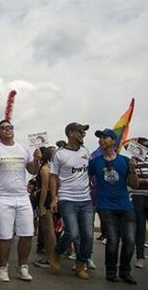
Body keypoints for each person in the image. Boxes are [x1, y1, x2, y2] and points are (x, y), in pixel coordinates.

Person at [0, 120, 41, 282]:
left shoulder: (23, 148)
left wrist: (37, 160)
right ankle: (4, 267)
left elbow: (32, 170)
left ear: (13, 130)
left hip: (22, 196)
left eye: (9, 127)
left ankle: (23, 267)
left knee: (27, 234)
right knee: (4, 235)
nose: (7, 130)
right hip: (0, 197)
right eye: (3, 128)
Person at [89, 128, 139, 284]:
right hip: (105, 205)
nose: (101, 140)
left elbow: (134, 185)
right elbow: (85, 179)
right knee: (112, 238)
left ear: (114, 141)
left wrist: (132, 169)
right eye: (100, 138)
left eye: (105, 137)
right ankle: (111, 271)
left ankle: (125, 271)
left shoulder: (124, 161)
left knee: (130, 240)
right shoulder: (95, 162)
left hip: (125, 205)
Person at [49, 122, 93, 280]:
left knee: (88, 236)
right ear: (70, 134)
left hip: (86, 200)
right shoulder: (59, 154)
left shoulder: (86, 152)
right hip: (67, 199)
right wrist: (54, 198)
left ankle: (81, 265)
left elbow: (92, 173)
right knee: (72, 232)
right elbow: (53, 177)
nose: (83, 134)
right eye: (80, 131)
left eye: (83, 132)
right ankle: (56, 252)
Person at [33, 147, 56, 268]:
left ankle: (50, 257)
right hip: (44, 200)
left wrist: (41, 205)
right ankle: (48, 255)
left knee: (48, 230)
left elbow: (45, 187)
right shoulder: (45, 167)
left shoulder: (45, 169)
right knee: (46, 230)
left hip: (45, 201)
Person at [131, 137, 148, 269]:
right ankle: (140, 256)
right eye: (141, 146)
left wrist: (141, 181)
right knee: (140, 227)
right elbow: (132, 182)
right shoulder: (132, 161)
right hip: (138, 197)